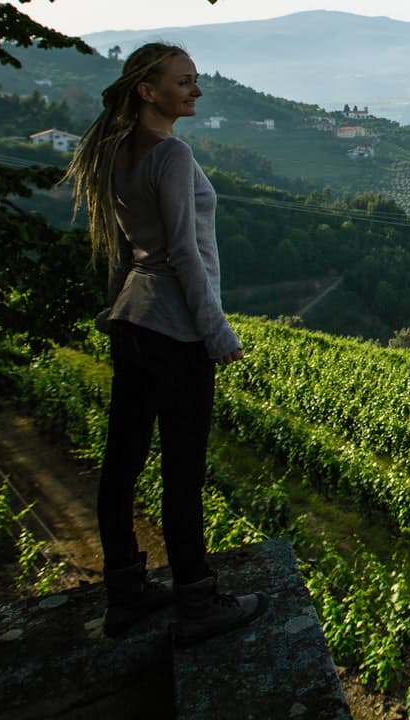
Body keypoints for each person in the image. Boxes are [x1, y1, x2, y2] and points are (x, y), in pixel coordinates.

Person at [65, 42, 268, 643]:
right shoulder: (172, 155)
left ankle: (125, 591)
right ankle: (197, 600)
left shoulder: (116, 151)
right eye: (184, 82)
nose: (196, 90)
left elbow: (125, 249)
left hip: (132, 321)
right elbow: (184, 254)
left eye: (196, 80)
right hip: (174, 328)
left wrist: (115, 307)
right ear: (148, 91)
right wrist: (217, 331)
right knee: (182, 469)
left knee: (122, 461)